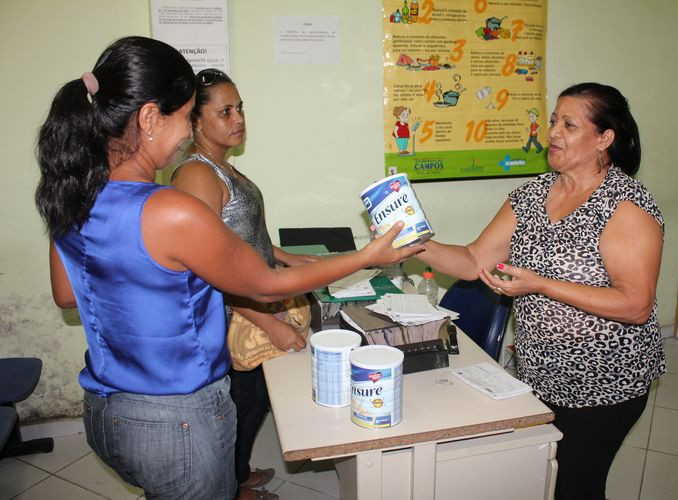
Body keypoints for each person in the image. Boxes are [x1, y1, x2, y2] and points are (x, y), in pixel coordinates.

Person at [35, 36, 419, 500]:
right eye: (183, 118)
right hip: (178, 419)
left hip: (104, 410)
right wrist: (365, 257)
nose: (184, 136)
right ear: (151, 118)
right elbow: (265, 286)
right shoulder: (171, 210)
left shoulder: (72, 192)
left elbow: (68, 294)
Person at [416, 82, 665, 500]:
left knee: (576, 485)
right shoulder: (532, 194)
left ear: (605, 138)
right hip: (541, 373)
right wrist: (415, 243)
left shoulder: (627, 206)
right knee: (542, 476)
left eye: (569, 124)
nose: (552, 132)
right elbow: (473, 259)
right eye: (553, 121)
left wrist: (540, 284)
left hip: (604, 383)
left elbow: (636, 305)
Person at [170, 68, 314, 499]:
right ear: (196, 121)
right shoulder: (197, 176)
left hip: (254, 301)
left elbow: (244, 236)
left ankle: (237, 471)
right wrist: (269, 323)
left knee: (255, 400)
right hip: (234, 315)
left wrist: (291, 259)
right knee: (244, 403)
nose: (238, 118)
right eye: (225, 111)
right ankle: (229, 485)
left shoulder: (221, 167)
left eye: (240, 108)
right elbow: (208, 267)